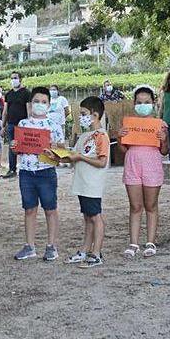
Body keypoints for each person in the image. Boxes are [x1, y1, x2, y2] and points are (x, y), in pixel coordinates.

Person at [11, 87, 65, 262]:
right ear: (30, 103)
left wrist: (54, 154)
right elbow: (18, 149)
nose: (40, 105)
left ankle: (51, 246)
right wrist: (14, 147)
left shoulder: (54, 125)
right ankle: (29, 246)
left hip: (46, 172)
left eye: (44, 102)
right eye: (36, 101)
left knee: (50, 209)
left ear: (49, 105)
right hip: (26, 172)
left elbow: (61, 153)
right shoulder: (23, 124)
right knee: (29, 209)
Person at [121, 85, 168, 259]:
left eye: (147, 102)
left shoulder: (160, 125)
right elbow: (123, 149)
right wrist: (120, 136)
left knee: (151, 205)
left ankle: (150, 242)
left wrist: (163, 140)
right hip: (132, 165)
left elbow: (164, 150)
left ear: (153, 103)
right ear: (134, 103)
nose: (143, 105)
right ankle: (133, 243)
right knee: (135, 206)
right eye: (139, 102)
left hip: (152, 166)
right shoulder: (129, 124)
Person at [67, 96, 110, 268]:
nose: (81, 117)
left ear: (95, 114)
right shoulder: (85, 135)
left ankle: (97, 253)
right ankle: (85, 249)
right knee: (87, 217)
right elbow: (73, 156)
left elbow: (102, 162)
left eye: (84, 114)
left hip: (93, 184)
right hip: (82, 183)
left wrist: (81, 157)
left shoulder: (101, 136)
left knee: (95, 217)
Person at [3, 71, 30, 178]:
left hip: (23, 125)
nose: (13, 80)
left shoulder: (26, 93)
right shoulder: (8, 94)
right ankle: (12, 169)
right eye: (12, 78)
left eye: (15, 78)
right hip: (11, 124)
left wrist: (29, 123)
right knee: (12, 147)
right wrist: (3, 125)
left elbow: (29, 109)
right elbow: (5, 111)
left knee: (25, 147)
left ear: (20, 79)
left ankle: (26, 168)